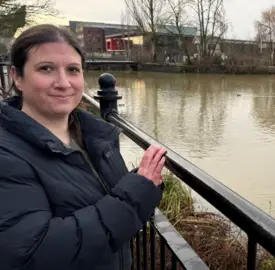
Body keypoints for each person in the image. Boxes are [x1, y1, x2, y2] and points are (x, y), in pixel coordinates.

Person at [0, 24, 167, 270]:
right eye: (46, 69)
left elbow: (106, 198)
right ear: (17, 77)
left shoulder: (94, 134)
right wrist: (135, 196)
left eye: (73, 70)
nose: (63, 82)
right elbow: (34, 252)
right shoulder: (7, 154)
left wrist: (143, 181)